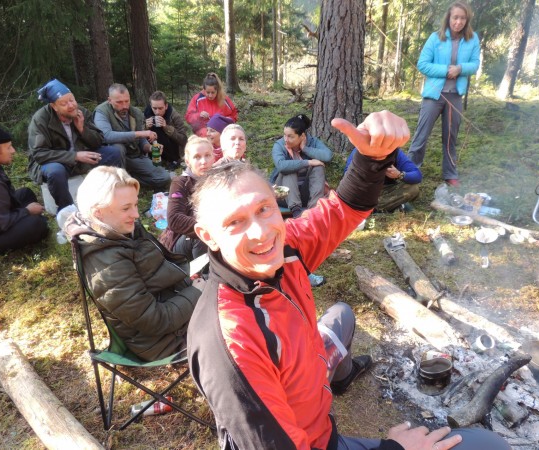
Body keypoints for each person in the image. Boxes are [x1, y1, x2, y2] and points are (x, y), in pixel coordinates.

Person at [187, 111, 510, 450]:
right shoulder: (230, 342)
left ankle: (339, 379)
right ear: (208, 236)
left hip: (308, 380)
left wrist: (373, 158)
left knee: (341, 314)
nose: (261, 232)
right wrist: (396, 449)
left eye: (264, 209)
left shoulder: (284, 247)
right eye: (235, 222)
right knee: (490, 446)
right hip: (315, 442)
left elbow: (342, 209)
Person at [64, 166, 204, 362]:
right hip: (166, 341)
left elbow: (156, 274)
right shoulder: (104, 262)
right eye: (126, 208)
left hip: (178, 310)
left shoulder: (121, 231)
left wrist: (191, 285)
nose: (136, 214)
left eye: (135, 205)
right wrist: (197, 291)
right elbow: (155, 320)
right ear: (98, 213)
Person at [406, 1, 480, 187]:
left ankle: (450, 173)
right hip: (433, 95)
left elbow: (475, 64)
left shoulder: (472, 39)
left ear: (467, 20)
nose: (458, 22)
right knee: (421, 135)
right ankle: (410, 170)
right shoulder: (435, 38)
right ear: (449, 18)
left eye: (462, 18)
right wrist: (446, 70)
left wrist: (460, 69)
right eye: (455, 17)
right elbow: (422, 64)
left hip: (455, 95)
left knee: (450, 137)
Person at [28, 79, 125, 213]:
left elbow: (98, 141)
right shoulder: (41, 119)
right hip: (54, 162)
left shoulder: (81, 111)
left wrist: (82, 129)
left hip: (79, 159)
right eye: (64, 103)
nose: (71, 105)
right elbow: (39, 154)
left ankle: (110, 198)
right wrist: (74, 156)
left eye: (72, 100)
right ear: (54, 106)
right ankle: (67, 211)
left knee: (113, 153)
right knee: (56, 171)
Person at [0, 124, 49, 255]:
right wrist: (26, 211)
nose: (13, 151)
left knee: (25, 193)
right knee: (37, 224)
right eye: (8, 147)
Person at [94, 83, 171, 192]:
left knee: (164, 177)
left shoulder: (136, 112)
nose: (125, 106)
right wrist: (139, 133)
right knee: (118, 148)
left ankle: (129, 180)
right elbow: (106, 136)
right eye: (119, 102)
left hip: (134, 156)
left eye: (127, 101)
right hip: (114, 159)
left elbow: (141, 141)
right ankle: (118, 183)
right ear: (109, 100)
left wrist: (149, 148)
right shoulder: (102, 112)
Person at [159, 136, 214, 261]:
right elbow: (174, 219)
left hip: (216, 234)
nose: (203, 161)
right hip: (181, 240)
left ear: (213, 157)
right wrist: (209, 228)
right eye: (197, 157)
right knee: (202, 236)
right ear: (188, 162)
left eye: (207, 155)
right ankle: (203, 272)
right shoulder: (181, 183)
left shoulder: (219, 180)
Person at [271, 114, 333, 219]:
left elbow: (328, 156)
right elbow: (281, 165)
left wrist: (305, 149)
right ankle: (296, 212)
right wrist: (308, 162)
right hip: (283, 196)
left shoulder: (312, 142)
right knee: (289, 168)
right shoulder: (280, 145)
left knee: (318, 167)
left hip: (306, 194)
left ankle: (314, 209)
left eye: (290, 136)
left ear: (302, 136)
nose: (286, 139)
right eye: (285, 135)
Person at [345, 148, 422, 212]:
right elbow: (348, 179)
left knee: (413, 189)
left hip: (385, 190)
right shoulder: (361, 151)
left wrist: (399, 174)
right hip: (364, 190)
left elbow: (417, 175)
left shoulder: (394, 152)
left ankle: (372, 209)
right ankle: (393, 206)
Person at [143, 90, 188, 169]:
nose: (157, 112)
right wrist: (145, 127)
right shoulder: (145, 114)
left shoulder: (174, 115)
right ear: (151, 106)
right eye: (154, 108)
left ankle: (172, 161)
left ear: (166, 106)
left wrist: (166, 127)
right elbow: (137, 136)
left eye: (160, 108)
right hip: (152, 148)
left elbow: (183, 140)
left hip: (172, 150)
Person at [185, 73, 238, 137]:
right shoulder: (197, 99)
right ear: (204, 89)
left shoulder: (224, 99)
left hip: (219, 130)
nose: (210, 95)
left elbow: (233, 116)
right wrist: (199, 115)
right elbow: (188, 117)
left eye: (213, 92)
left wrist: (222, 120)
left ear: (217, 90)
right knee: (205, 133)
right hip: (203, 131)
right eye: (208, 92)